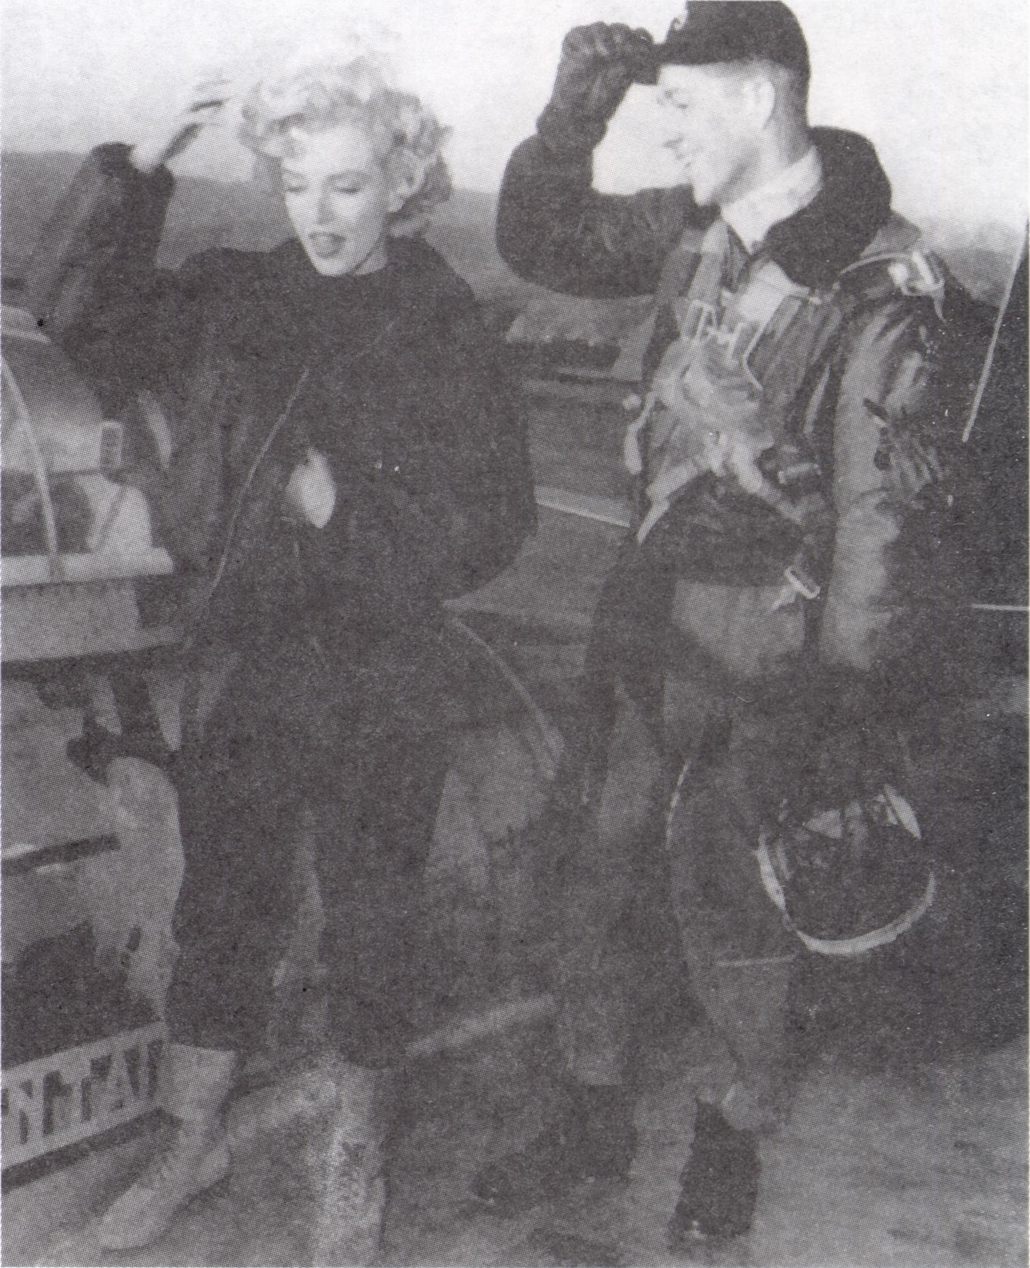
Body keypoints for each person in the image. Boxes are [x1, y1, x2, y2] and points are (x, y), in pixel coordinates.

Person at [26, 55, 534, 1263]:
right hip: (255, 657)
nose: (319, 211)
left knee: (373, 919)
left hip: (385, 668)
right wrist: (142, 168)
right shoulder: (239, 293)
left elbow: (496, 520)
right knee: (222, 910)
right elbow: (72, 313)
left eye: (347, 184)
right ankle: (189, 1139)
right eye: (299, 184)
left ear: (400, 183)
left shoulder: (444, 323)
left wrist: (343, 513)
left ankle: (356, 1152)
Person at [473, 1, 959, 1245]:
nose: (668, 132)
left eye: (682, 106)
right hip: (650, 609)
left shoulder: (878, 282)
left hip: (770, 641)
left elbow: (880, 518)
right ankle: (591, 1109)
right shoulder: (697, 229)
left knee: (731, 897)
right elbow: (545, 237)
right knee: (597, 861)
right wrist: (569, 121)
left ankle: (730, 1131)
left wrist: (837, 701)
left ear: (757, 95)